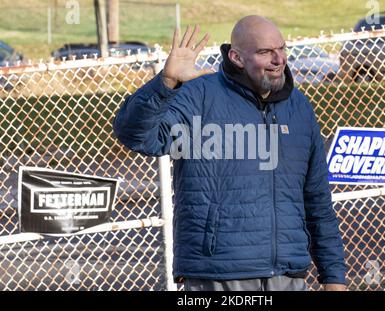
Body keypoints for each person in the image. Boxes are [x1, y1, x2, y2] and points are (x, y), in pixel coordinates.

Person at [113, 15, 347, 291]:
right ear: (236, 57)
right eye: (265, 52)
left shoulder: (298, 108)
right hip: (217, 276)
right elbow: (137, 136)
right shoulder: (199, 96)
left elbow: (317, 200)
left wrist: (334, 278)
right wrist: (166, 82)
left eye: (281, 49)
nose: (278, 59)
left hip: (288, 275)